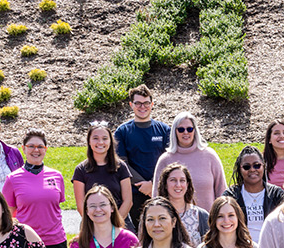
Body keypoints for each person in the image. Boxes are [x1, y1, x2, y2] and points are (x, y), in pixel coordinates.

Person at [113, 84, 171, 226]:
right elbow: (121, 163)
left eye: (146, 103)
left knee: (163, 229)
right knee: (141, 232)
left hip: (161, 190)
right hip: (134, 193)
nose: (142, 107)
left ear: (151, 104)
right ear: (131, 105)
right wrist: (143, 186)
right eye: (138, 103)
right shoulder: (122, 132)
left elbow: (169, 160)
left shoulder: (164, 130)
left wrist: (154, 183)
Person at [153, 112, 226, 210]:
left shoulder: (210, 156)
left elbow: (222, 192)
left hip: (207, 222)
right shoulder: (165, 160)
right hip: (174, 222)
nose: (186, 132)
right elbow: (157, 197)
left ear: (195, 131)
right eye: (181, 129)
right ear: (174, 132)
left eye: (189, 129)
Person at [72, 122, 132, 222]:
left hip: (120, 223)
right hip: (92, 224)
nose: (100, 142)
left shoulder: (121, 167)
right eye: (95, 138)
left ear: (110, 142)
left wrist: (115, 225)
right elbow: (81, 205)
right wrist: (98, 226)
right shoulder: (80, 170)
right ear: (89, 142)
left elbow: (128, 201)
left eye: (105, 138)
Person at [157, 162, 212, 246]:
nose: (178, 185)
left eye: (182, 180)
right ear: (165, 184)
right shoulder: (154, 215)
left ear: (187, 184)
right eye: (173, 180)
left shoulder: (201, 215)